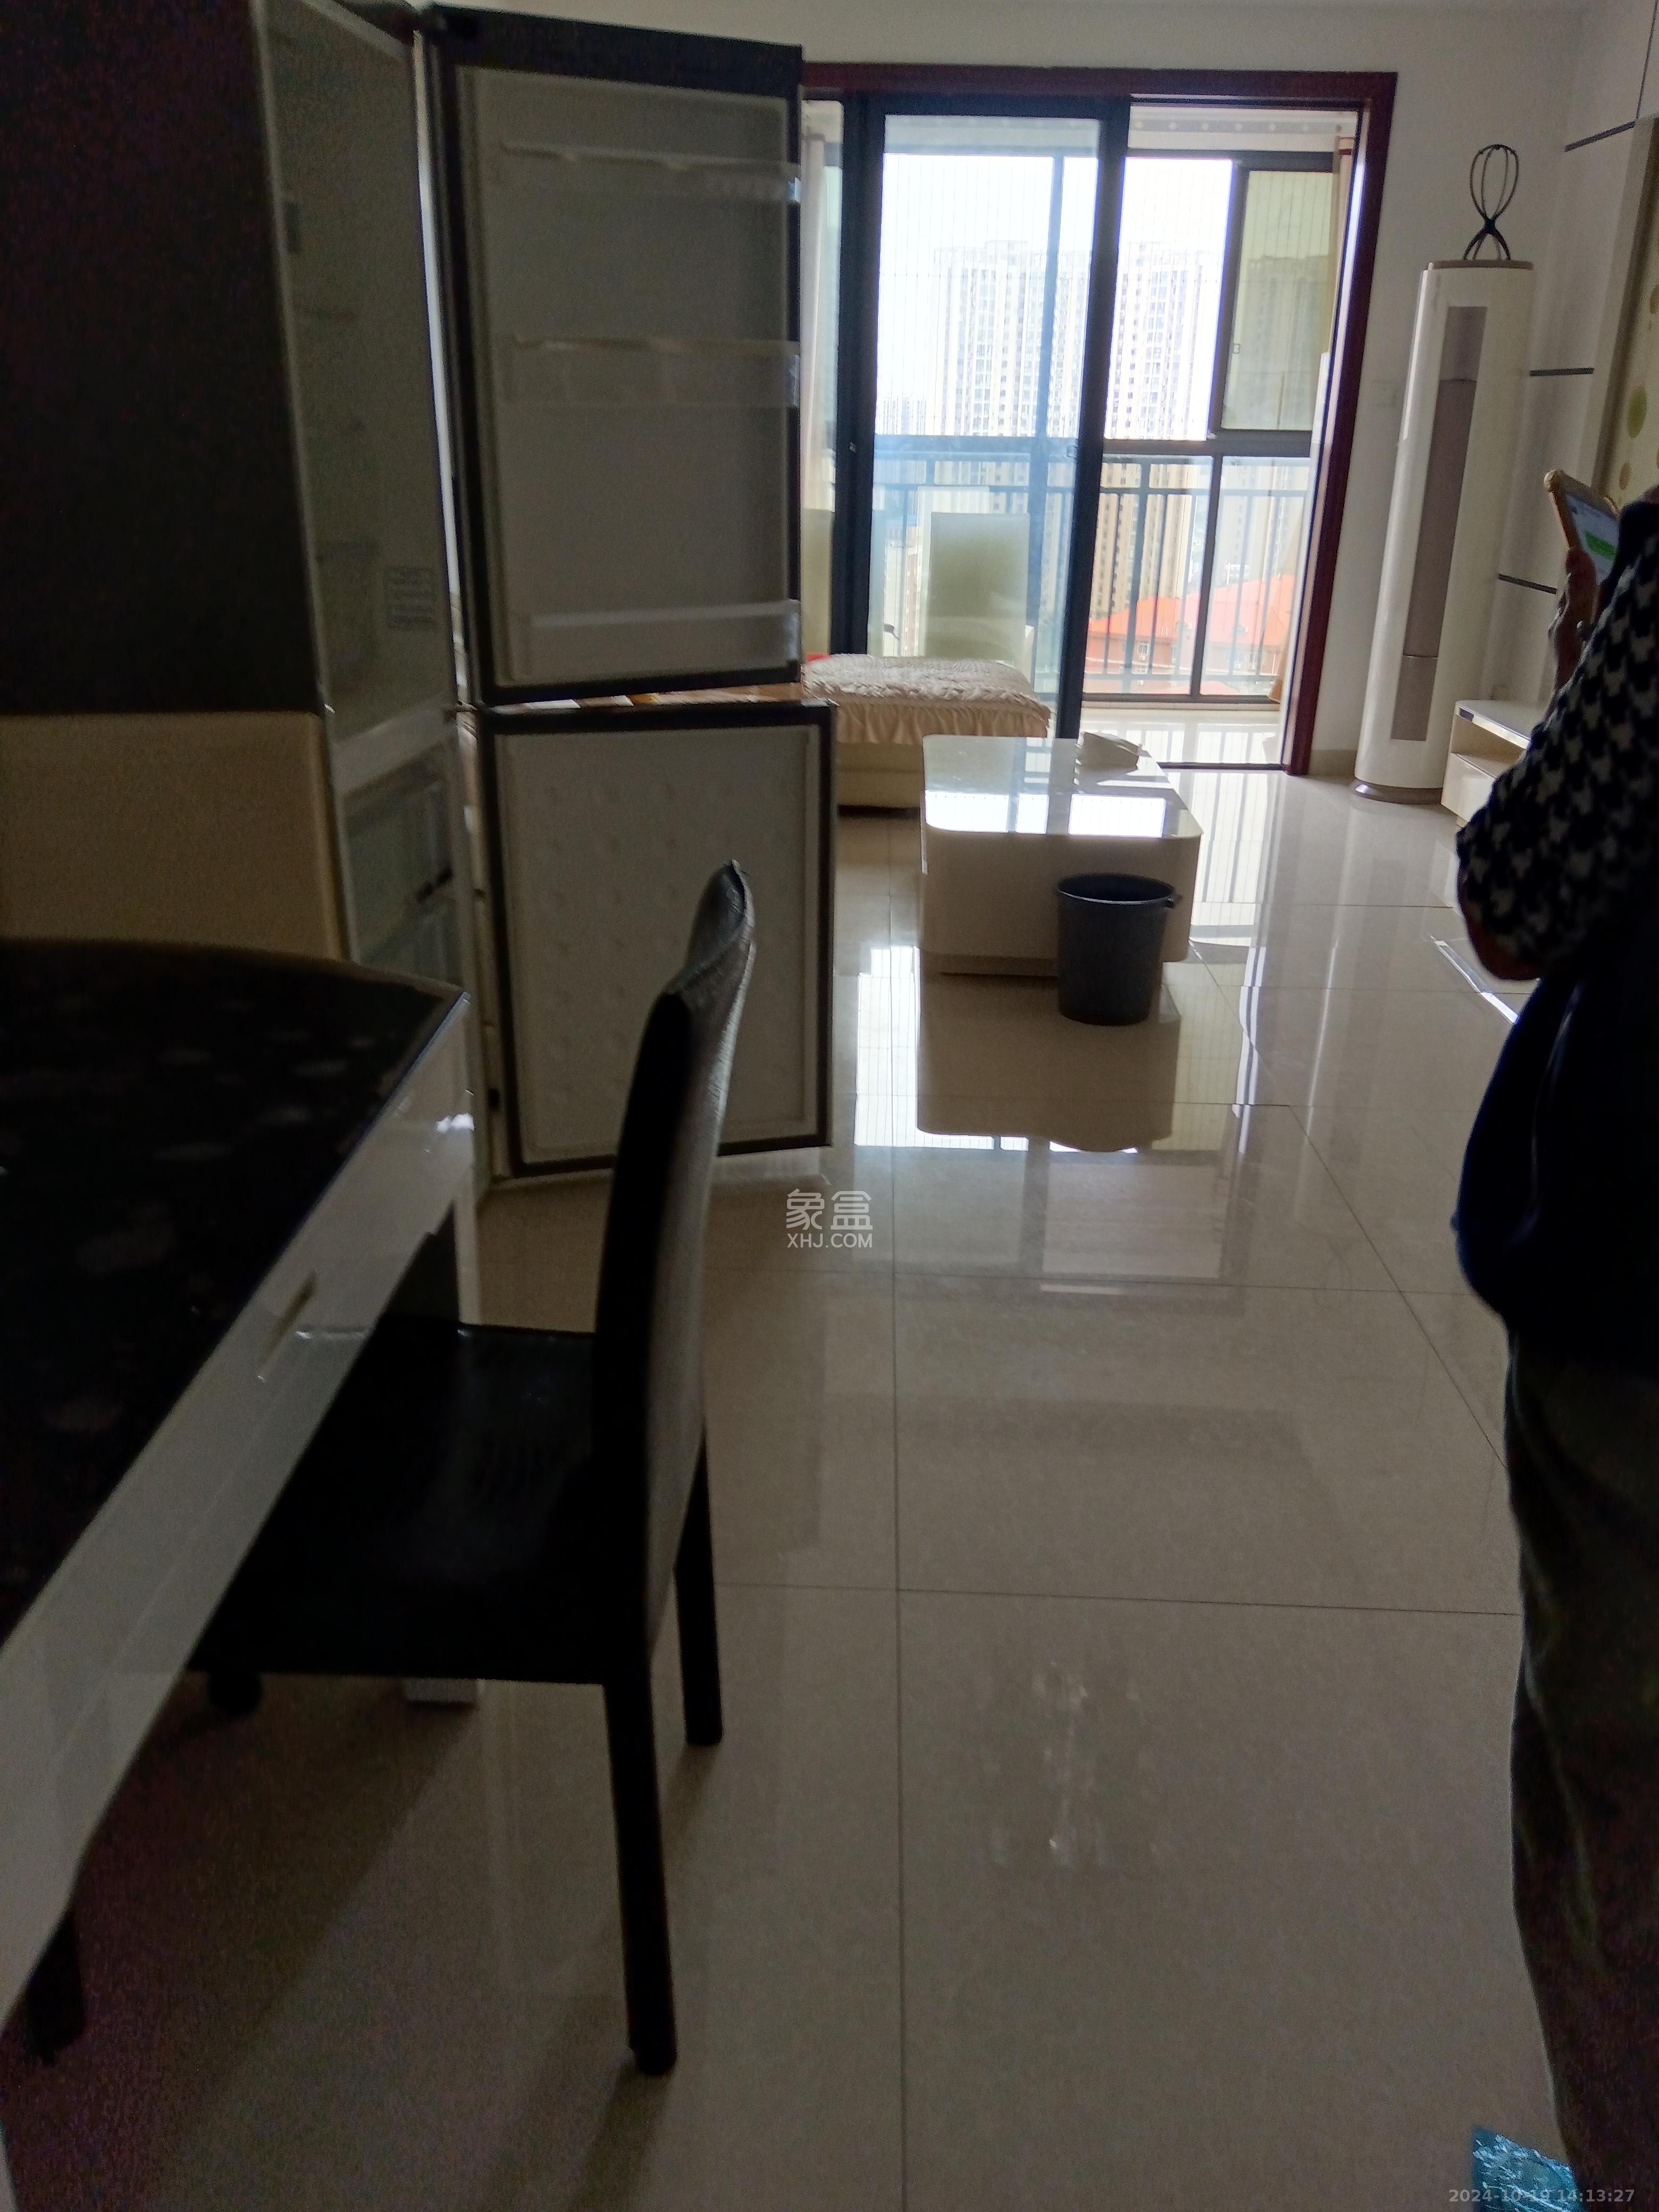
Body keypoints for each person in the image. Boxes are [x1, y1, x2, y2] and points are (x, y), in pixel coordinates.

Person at [1456, 486, 1659, 2195]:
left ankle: (1613, 2175)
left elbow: (1515, 895)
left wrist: (1594, 656)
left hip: (1646, 1290)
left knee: (1615, 1772)